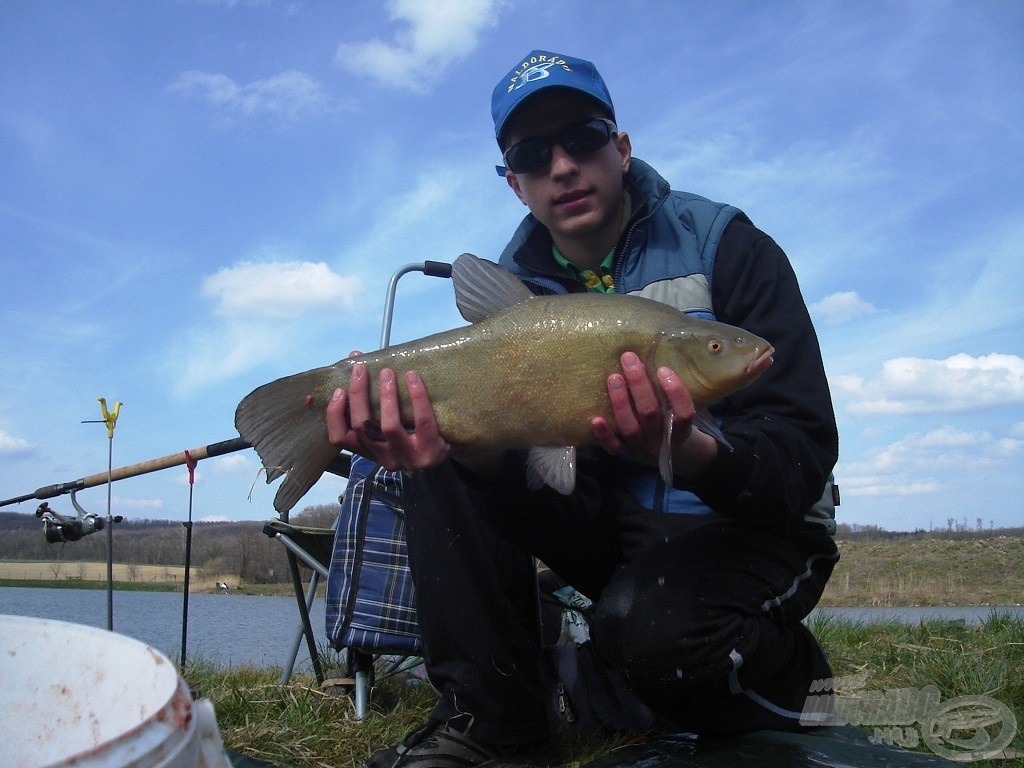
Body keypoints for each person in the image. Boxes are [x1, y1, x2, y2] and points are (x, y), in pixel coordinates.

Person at [327, 50, 839, 767]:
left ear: (621, 148)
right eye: (534, 154)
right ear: (515, 184)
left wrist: (693, 452)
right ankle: (491, 725)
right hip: (618, 540)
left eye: (584, 137)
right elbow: (550, 490)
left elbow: (804, 451)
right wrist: (475, 455)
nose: (563, 166)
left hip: (753, 532)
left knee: (653, 635)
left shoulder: (727, 246)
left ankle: (790, 680)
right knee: (441, 452)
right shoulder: (517, 289)